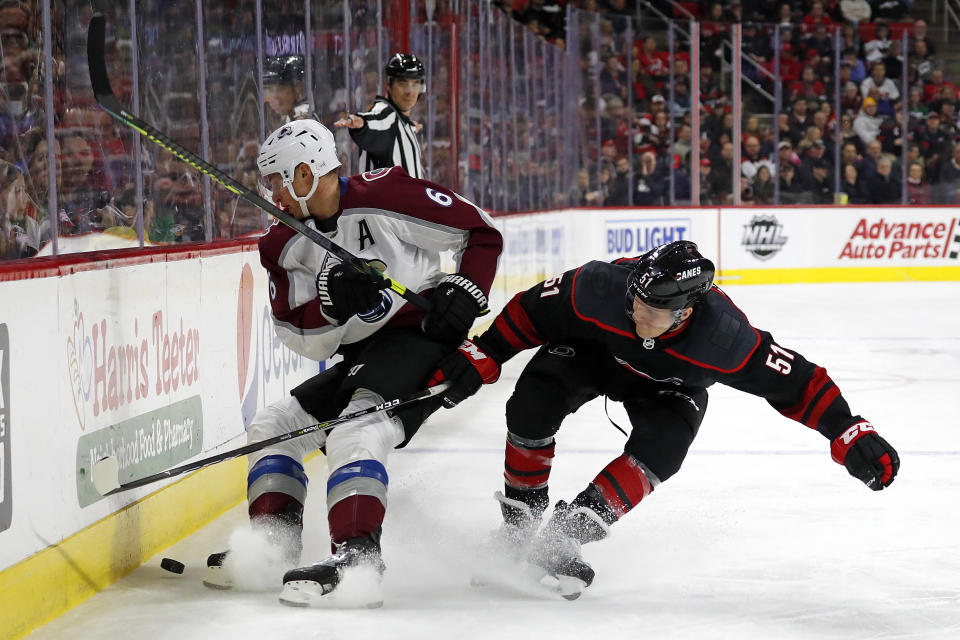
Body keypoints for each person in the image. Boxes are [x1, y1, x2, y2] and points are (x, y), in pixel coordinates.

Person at [429, 241, 899, 597]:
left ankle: (565, 536)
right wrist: (484, 354)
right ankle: (518, 525)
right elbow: (533, 311)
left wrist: (850, 431)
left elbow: (799, 382)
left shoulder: (725, 338)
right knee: (531, 403)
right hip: (594, 354)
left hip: (671, 387)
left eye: (652, 310)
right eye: (635, 298)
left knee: (663, 449)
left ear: (686, 312)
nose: (635, 311)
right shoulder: (601, 288)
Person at [203, 119, 503, 606]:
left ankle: (358, 559)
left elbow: (481, 233)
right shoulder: (280, 244)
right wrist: (330, 304)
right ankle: (273, 546)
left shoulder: (388, 194)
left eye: (277, 179)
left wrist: (467, 291)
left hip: (419, 339)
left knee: (356, 426)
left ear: (305, 174)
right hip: (361, 355)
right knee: (275, 424)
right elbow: (302, 338)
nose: (271, 191)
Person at [334, 52, 426, 178]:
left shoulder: (398, 119)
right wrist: (362, 123)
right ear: (388, 86)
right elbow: (377, 120)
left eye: (415, 84)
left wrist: (411, 128)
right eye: (402, 84)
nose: (409, 92)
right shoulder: (386, 114)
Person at [263, 55, 314, 128]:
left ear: (297, 87)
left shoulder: (302, 122)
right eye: (270, 89)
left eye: (280, 89)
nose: (274, 98)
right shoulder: (287, 116)